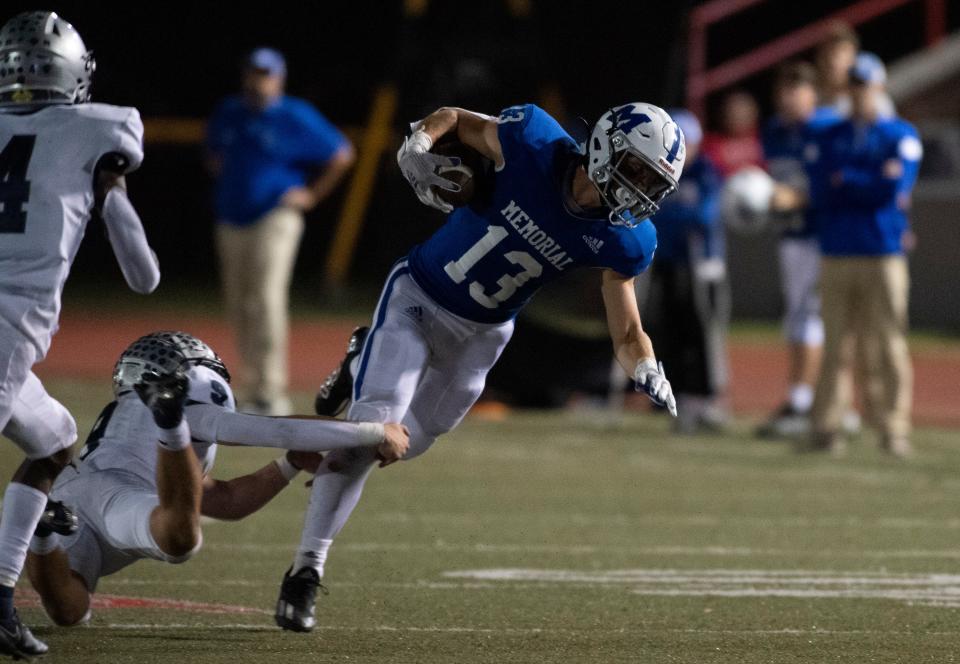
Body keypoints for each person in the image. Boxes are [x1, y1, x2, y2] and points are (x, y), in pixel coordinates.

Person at [274, 101, 687, 632]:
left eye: (652, 184)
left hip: (485, 335)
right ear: (607, 145)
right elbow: (455, 118)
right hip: (419, 298)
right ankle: (307, 568)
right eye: (635, 171)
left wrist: (647, 366)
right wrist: (418, 144)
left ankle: (359, 361)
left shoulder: (626, 238)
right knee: (372, 431)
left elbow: (627, 329)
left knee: (410, 443)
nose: (640, 192)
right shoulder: (536, 142)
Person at [25, 331, 410, 627]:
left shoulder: (126, 420)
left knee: (68, 608)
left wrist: (288, 466)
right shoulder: (183, 408)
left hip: (70, 496)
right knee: (181, 541)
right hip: (119, 496)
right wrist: (373, 431)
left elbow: (221, 498)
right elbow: (275, 430)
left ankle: (42, 536)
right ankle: (170, 430)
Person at [0, 11, 161, 659]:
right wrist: (109, 188)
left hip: (10, 339)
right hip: (9, 327)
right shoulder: (101, 127)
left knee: (57, 439)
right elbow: (145, 279)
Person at [206, 48, 356, 416]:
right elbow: (214, 155)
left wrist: (312, 194)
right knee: (239, 301)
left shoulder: (294, 115)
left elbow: (341, 153)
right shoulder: (229, 112)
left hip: (275, 216)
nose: (258, 81)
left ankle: (271, 391)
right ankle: (251, 386)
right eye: (253, 73)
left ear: (279, 77)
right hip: (231, 216)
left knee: (267, 297)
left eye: (266, 74)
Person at [805, 53, 922, 457]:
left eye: (865, 86)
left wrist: (848, 179)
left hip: (882, 250)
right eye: (854, 86)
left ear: (880, 88)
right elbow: (822, 189)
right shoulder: (829, 135)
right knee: (836, 345)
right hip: (838, 250)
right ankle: (827, 427)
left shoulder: (899, 134)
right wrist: (866, 180)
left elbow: (892, 189)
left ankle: (893, 427)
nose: (859, 95)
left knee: (889, 343)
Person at [756, 62, 841, 438]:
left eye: (796, 90)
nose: (788, 98)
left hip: (823, 236)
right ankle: (812, 400)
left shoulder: (826, 129)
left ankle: (805, 400)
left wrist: (800, 198)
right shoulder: (774, 131)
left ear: (813, 94)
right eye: (783, 91)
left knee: (811, 318)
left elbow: (837, 186)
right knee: (797, 317)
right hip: (791, 236)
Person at [643, 109, 729, 434]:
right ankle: (674, 394)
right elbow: (650, 214)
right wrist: (679, 218)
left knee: (702, 329)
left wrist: (677, 218)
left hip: (700, 266)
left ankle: (707, 397)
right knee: (668, 327)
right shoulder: (659, 170)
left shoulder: (706, 172)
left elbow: (705, 218)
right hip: (667, 260)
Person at [701, 90, 765, 178]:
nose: (738, 115)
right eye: (733, 111)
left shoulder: (765, 137)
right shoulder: (711, 143)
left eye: (743, 111)